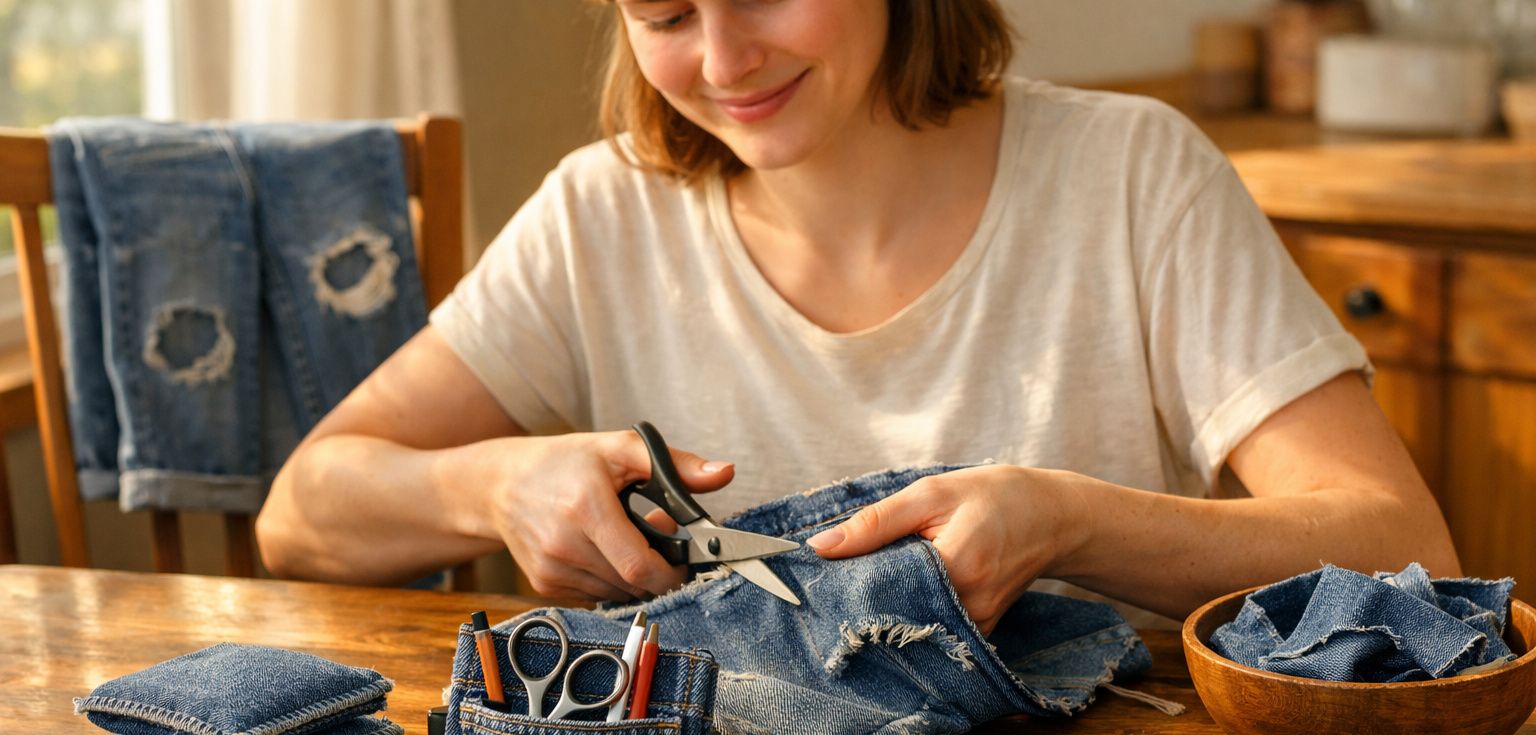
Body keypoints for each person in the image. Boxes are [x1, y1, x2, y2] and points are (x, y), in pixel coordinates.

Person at [255, 0, 1458, 632]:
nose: (723, 60)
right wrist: (497, 487)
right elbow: (303, 514)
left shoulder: (1133, 174)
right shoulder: (600, 214)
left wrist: (1067, 522)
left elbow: (1406, 549)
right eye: (664, 14)